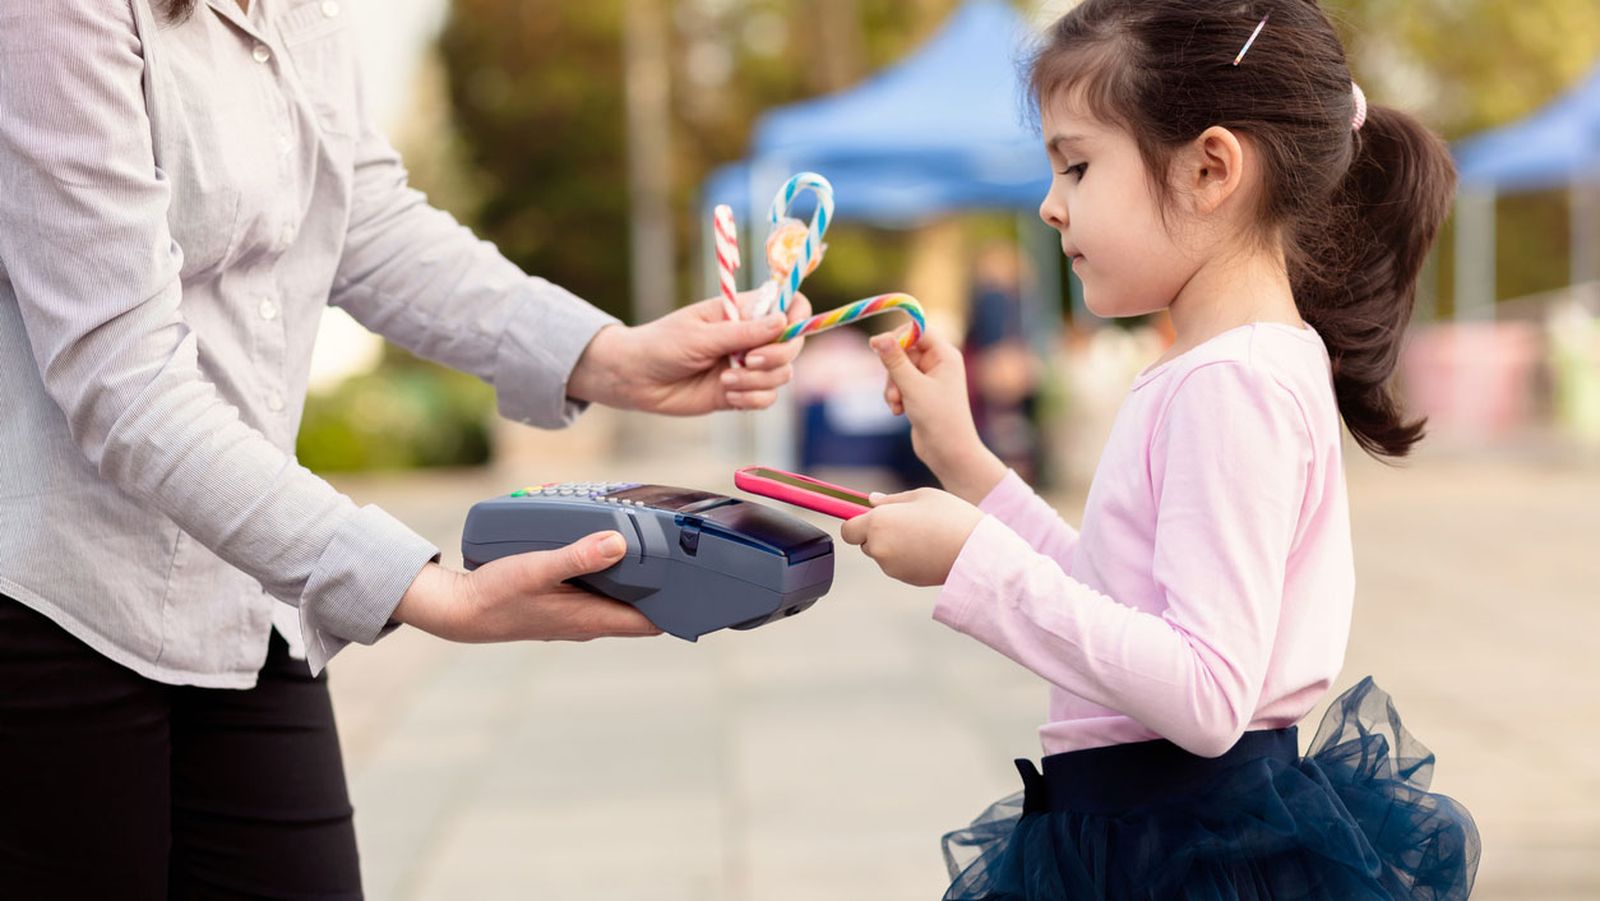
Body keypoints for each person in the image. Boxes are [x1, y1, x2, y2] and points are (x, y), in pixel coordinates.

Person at [0, 0, 807, 897]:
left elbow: (364, 221)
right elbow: (126, 382)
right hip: (53, 605)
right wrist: (425, 589)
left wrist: (609, 356)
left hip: (241, 592)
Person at [841, 1, 1481, 897]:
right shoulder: (1239, 364)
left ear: (1210, 168)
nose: (1050, 204)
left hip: (1177, 845)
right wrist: (963, 459)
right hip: (1173, 830)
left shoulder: (1232, 382)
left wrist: (975, 563)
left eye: (1077, 165)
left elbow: (1206, 692)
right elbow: (1116, 588)